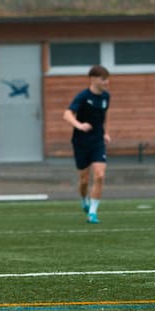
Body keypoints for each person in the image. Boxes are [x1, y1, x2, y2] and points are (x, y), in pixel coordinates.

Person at [63, 64, 111, 224]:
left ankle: (92, 213)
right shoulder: (83, 96)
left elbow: (104, 116)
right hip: (81, 142)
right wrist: (79, 125)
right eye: (103, 79)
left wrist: (105, 132)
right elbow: (67, 114)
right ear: (93, 79)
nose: (106, 82)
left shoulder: (106, 97)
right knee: (84, 180)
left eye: (107, 79)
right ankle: (84, 200)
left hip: (97, 142)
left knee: (99, 175)